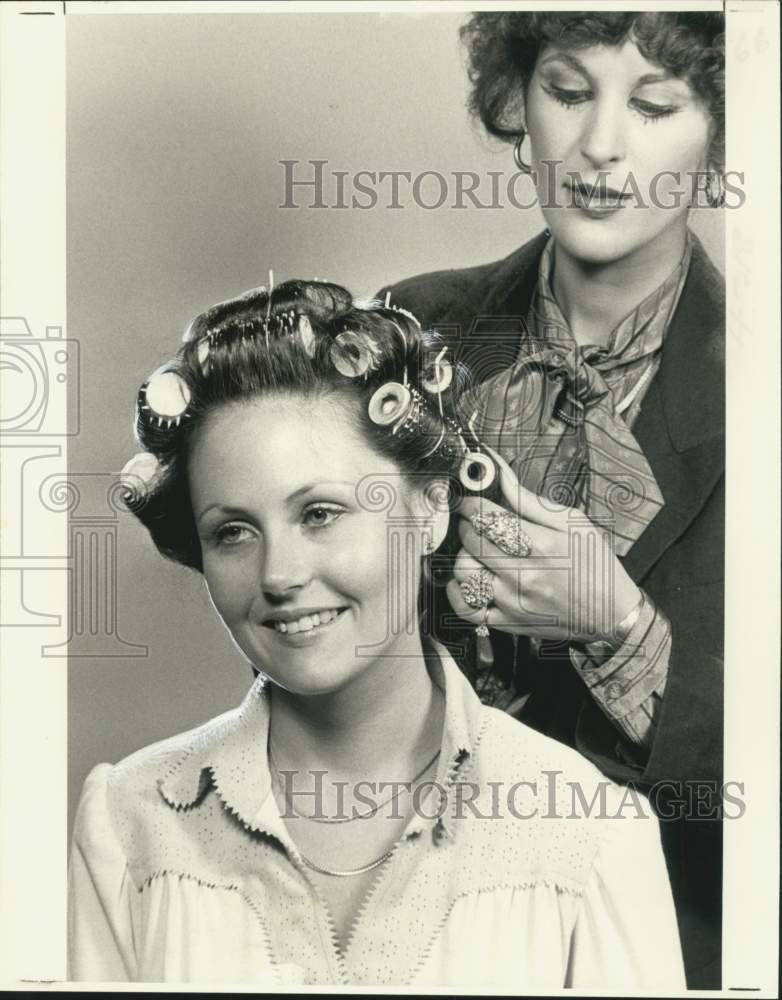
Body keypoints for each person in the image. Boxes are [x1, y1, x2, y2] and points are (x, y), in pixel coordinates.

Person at [68, 280, 685, 988]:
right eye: (233, 532)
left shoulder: (587, 834)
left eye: (321, 514)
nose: (280, 574)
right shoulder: (129, 823)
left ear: (429, 506)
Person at [379, 11, 725, 990]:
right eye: (567, 92)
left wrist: (621, 629)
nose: (598, 146)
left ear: (720, 129)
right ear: (515, 104)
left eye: (654, 104)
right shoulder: (408, 329)